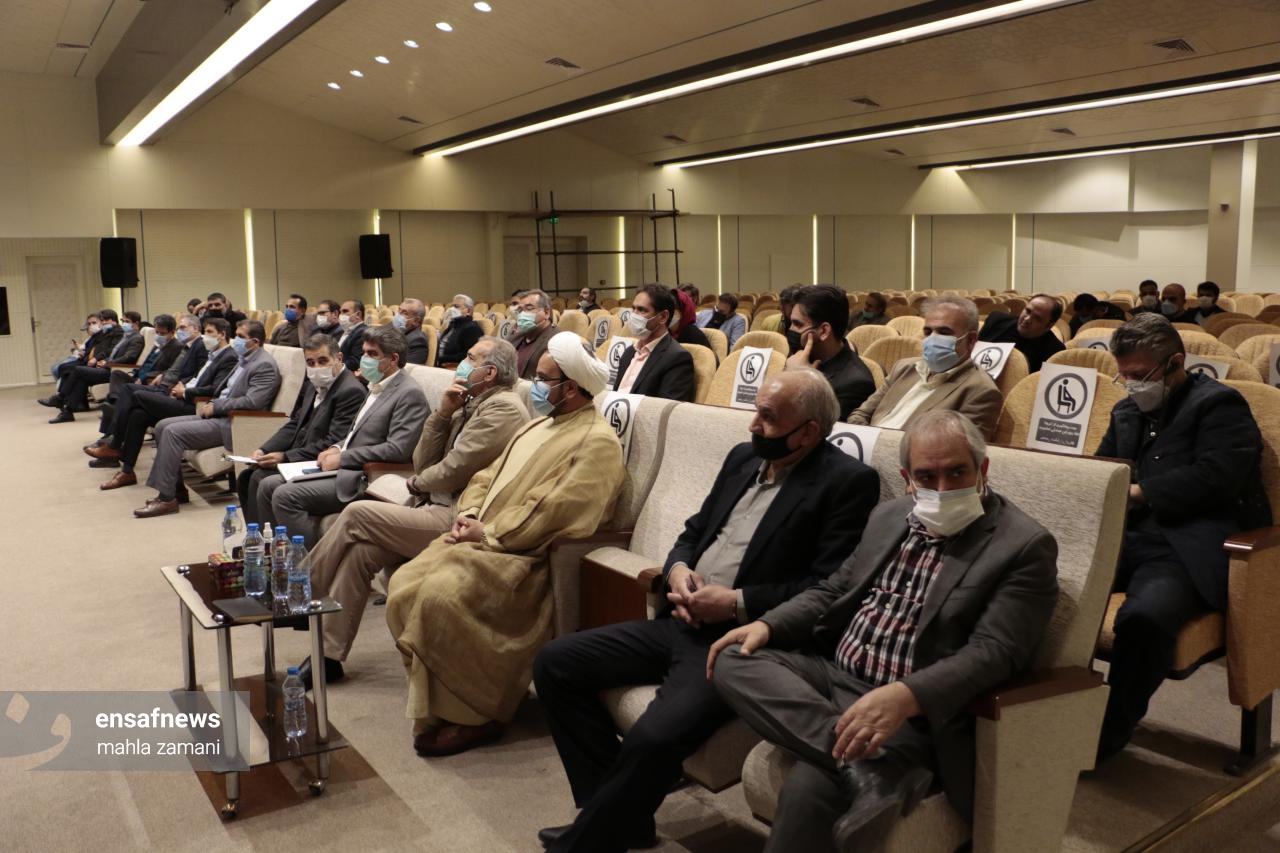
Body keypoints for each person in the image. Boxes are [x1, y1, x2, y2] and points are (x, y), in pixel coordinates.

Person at [534, 370, 881, 853]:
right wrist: (677, 571)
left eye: (768, 417)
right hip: (679, 619)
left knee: (655, 735)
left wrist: (736, 603)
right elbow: (694, 531)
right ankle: (616, 818)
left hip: (739, 643)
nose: (753, 425)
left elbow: (825, 588)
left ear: (808, 432)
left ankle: (590, 839)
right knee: (554, 663)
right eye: (755, 412)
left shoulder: (847, 482)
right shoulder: (743, 458)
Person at [709, 410, 1059, 853]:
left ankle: (857, 758)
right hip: (832, 675)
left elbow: (996, 651)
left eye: (957, 472)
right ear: (908, 479)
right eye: (927, 476)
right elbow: (835, 589)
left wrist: (906, 695)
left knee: (808, 788)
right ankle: (867, 765)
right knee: (733, 657)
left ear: (982, 469)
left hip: (912, 711)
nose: (943, 488)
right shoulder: (889, 516)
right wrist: (768, 623)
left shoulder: (1023, 545)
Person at [385, 332, 624, 757]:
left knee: (440, 598)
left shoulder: (597, 442)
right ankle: (439, 706)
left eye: (544, 379)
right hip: (481, 540)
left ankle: (479, 713)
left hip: (525, 558)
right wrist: (470, 514)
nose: (535, 385)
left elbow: (554, 512)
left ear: (571, 388)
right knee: (404, 585)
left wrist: (489, 534)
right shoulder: (537, 424)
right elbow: (484, 477)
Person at [302, 337, 529, 689]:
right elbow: (423, 460)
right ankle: (329, 656)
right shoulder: (469, 402)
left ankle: (299, 587)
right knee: (361, 553)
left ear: (490, 372)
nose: (462, 364)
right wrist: (443, 414)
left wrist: (415, 484)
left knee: (357, 513)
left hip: (461, 514)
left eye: (470, 358)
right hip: (434, 503)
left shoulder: (504, 410)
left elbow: (454, 468)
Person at [1095, 314, 1269, 762]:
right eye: (1123, 374)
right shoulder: (1126, 410)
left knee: (1144, 618)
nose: (1130, 384)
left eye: (1139, 375)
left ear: (1175, 363)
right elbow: (1103, 467)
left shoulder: (1219, 405)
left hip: (1186, 544)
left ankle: (1106, 734)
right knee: (1039, 585)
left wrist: (1142, 492)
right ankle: (1043, 710)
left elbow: (1219, 477)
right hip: (1124, 535)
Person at [255, 325, 428, 547]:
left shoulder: (409, 393)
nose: (364, 359)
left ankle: (310, 564)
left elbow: (398, 449)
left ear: (393, 359)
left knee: (285, 496)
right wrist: (336, 447)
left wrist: (343, 457)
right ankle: (272, 555)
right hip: (346, 467)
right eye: (364, 352)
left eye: (372, 354)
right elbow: (355, 433)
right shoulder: (377, 386)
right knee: (267, 486)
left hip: (365, 477)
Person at [133, 320, 281, 517]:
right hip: (218, 414)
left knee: (172, 433)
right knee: (161, 426)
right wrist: (211, 403)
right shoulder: (244, 358)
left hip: (234, 423)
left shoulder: (264, 365)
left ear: (254, 342)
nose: (235, 340)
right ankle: (176, 490)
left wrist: (216, 406)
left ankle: (166, 499)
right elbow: (225, 390)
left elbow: (253, 402)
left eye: (240, 337)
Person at [236, 334, 366, 527]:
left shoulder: (351, 391)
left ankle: (271, 540)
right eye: (310, 362)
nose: (316, 368)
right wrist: (265, 449)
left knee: (260, 478)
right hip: (300, 455)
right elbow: (295, 423)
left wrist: (285, 457)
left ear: (338, 358)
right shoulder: (313, 384)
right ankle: (256, 537)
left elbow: (334, 441)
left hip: (321, 462)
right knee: (246, 477)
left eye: (323, 361)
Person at [87, 318, 234, 485]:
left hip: (193, 404)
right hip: (180, 393)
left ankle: (114, 444)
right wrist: (182, 385)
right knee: (137, 415)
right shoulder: (212, 354)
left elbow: (214, 389)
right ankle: (127, 471)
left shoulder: (228, 357)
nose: (204, 336)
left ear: (222, 335)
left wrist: (186, 391)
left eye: (209, 332)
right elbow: (196, 376)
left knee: (133, 394)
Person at [847, 296, 1002, 438]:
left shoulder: (981, 391)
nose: (932, 338)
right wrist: (866, 442)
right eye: (928, 332)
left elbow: (957, 451)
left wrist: (879, 445)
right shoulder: (903, 367)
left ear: (971, 340)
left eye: (944, 332)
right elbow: (860, 414)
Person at [87, 314, 208, 457]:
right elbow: (175, 370)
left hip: (173, 391)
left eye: (182, 327)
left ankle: (114, 441)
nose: (179, 331)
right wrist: (162, 375)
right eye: (179, 328)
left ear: (196, 329)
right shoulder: (187, 346)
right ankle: (119, 456)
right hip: (162, 384)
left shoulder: (197, 346)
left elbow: (198, 376)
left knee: (129, 393)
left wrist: (180, 385)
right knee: (132, 405)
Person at [786, 285, 875, 418]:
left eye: (798, 324)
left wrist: (798, 379)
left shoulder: (856, 384)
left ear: (824, 331)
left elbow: (808, 426)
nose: (790, 330)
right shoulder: (800, 356)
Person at [48, 311, 145, 422]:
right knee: (81, 378)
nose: (124, 324)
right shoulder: (126, 337)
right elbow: (114, 353)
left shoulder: (137, 338)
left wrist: (108, 363)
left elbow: (129, 357)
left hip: (115, 371)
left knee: (78, 370)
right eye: (123, 321)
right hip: (107, 366)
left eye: (127, 321)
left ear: (136, 323)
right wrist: (105, 361)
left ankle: (61, 398)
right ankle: (67, 412)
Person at [612, 284, 695, 401]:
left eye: (642, 310)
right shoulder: (628, 352)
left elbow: (666, 409)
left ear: (663, 317)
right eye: (633, 309)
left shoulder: (677, 358)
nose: (634, 315)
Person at [976, 294, 1066, 372]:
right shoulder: (996, 321)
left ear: (1049, 325)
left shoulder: (1055, 351)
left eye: (1037, 318)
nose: (1027, 319)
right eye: (1028, 311)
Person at [506, 288, 559, 380]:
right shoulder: (514, 337)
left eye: (529, 308)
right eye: (520, 310)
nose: (522, 314)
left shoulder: (556, 340)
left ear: (546, 312)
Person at [436, 294, 483, 366]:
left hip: (450, 366)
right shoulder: (453, 324)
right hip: (439, 362)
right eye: (452, 306)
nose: (452, 309)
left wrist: (440, 358)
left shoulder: (472, 329)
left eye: (456, 307)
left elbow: (468, 356)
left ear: (468, 311)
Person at [393, 298, 430, 364]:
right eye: (399, 310)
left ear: (416, 321)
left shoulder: (418, 341)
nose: (397, 315)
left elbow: (407, 367)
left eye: (404, 313)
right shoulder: (398, 332)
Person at [337, 299, 369, 370]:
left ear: (358, 314)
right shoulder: (346, 330)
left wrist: (333, 366)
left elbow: (355, 362)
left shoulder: (362, 332)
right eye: (340, 312)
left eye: (345, 311)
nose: (341, 315)